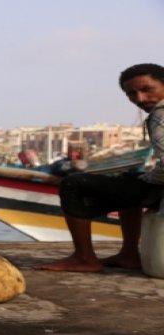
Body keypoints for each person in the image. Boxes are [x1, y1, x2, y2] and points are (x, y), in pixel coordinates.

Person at [35, 63, 164, 273]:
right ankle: (129, 254)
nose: (139, 99)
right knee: (127, 181)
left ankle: (84, 257)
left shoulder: (161, 114)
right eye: (131, 94)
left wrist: (146, 179)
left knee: (73, 184)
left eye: (147, 89)